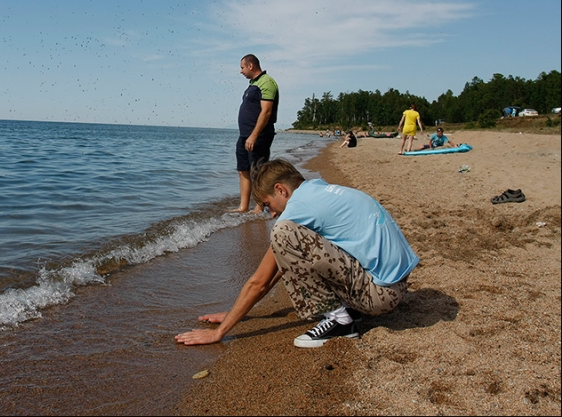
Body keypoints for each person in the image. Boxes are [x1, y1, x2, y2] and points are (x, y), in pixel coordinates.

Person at [175, 159, 419, 349]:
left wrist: (220, 332)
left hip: (380, 296)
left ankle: (341, 322)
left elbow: (259, 282)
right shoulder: (318, 191)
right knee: (289, 238)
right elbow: (283, 266)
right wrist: (235, 314)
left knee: (282, 233)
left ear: (281, 189)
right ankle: (348, 310)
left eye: (268, 205)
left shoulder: (298, 208)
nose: (270, 214)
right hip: (392, 286)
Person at [232, 54, 279, 213]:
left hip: (259, 135)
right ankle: (243, 207)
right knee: (243, 169)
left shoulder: (266, 82)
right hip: (244, 134)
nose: (241, 71)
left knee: (257, 171)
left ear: (251, 66)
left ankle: (259, 207)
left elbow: (266, 112)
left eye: (242, 67)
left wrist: (253, 135)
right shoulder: (253, 84)